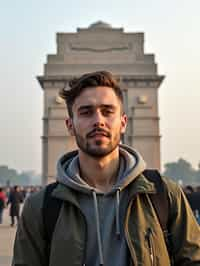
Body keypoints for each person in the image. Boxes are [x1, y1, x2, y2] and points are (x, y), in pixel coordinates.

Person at [12, 71, 200, 266]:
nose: (98, 120)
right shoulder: (40, 208)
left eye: (108, 111)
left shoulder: (164, 194)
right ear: (70, 125)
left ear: (123, 123)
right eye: (86, 112)